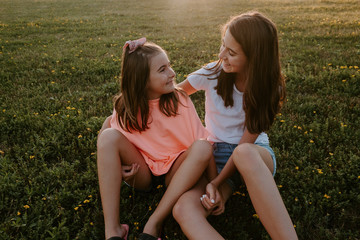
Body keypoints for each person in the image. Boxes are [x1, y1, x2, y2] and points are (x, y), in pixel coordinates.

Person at [173, 11, 298, 239]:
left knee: (243, 153)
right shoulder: (213, 72)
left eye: (231, 53)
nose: (222, 55)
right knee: (183, 209)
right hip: (215, 157)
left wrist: (216, 183)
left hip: (255, 156)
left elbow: (246, 142)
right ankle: (227, 189)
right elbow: (172, 97)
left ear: (255, 57)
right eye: (223, 46)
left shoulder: (269, 86)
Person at [96, 38, 217, 240]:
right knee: (107, 137)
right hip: (141, 172)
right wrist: (116, 167)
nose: (172, 73)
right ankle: (113, 231)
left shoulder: (180, 100)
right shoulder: (125, 107)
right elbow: (108, 131)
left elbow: (202, 145)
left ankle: (154, 222)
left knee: (203, 148)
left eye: (169, 66)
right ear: (141, 80)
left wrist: (214, 184)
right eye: (162, 69)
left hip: (176, 172)